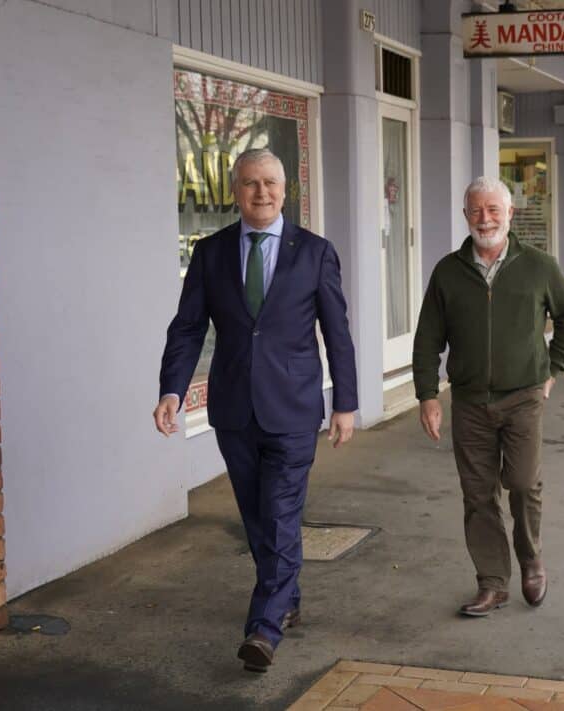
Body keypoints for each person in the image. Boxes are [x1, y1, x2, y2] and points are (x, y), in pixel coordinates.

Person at [153, 148, 358, 673]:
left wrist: (346, 403)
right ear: (235, 191)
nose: (261, 192)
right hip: (234, 409)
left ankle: (264, 627)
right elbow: (188, 328)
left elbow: (337, 331)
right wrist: (173, 390)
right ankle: (286, 596)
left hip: (293, 407)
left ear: (285, 190)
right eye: (250, 183)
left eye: (270, 182)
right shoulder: (211, 253)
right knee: (257, 515)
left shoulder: (315, 252)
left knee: (281, 511)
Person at [413, 176, 564, 617]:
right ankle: (492, 582)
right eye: (476, 210)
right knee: (478, 493)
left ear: (510, 213)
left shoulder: (539, 266)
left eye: (493, 210)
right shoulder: (448, 272)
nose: (485, 219)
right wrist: (427, 395)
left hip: (524, 396)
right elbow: (427, 337)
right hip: (469, 401)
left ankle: (531, 560)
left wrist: (553, 369)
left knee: (524, 484)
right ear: (465, 215)